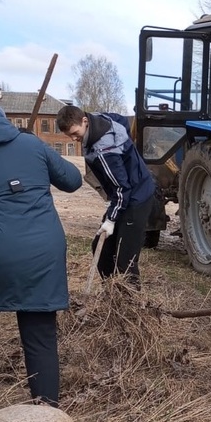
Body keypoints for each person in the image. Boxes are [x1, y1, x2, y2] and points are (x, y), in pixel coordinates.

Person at [0, 100, 82, 414]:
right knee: (40, 333)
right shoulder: (31, 143)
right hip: (42, 253)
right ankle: (46, 413)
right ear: (2, 120)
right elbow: (73, 180)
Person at [56, 105, 155, 286]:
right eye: (68, 135)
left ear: (84, 121)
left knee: (125, 260)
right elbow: (122, 120)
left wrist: (111, 220)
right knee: (101, 249)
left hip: (137, 196)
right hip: (126, 193)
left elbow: (121, 188)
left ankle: (129, 304)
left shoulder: (105, 150)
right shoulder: (99, 120)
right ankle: (112, 293)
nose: (73, 139)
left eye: (75, 133)